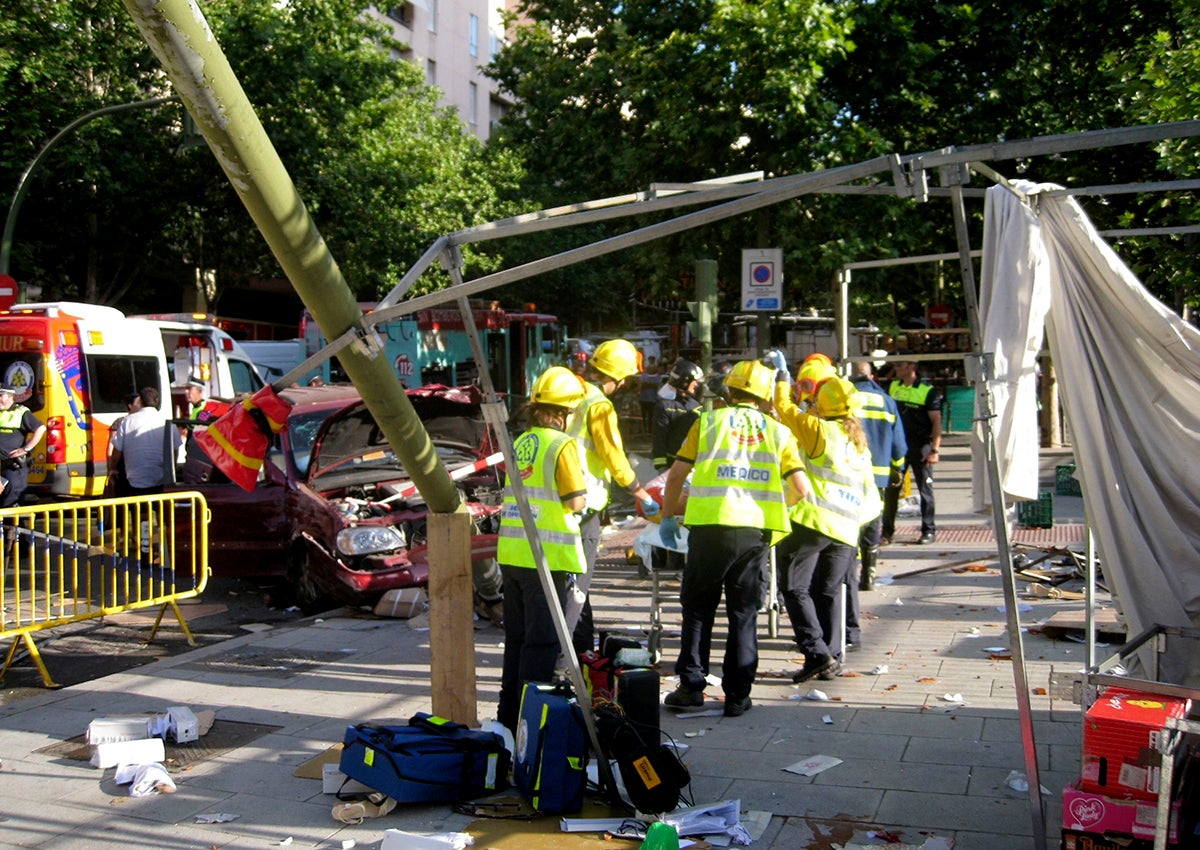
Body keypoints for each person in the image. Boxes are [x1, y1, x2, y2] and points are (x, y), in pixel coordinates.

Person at [658, 360, 810, 717]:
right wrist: (769, 505)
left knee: (698, 609)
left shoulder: (707, 421)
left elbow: (677, 474)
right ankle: (738, 696)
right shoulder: (779, 432)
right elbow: (801, 489)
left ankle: (691, 688)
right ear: (764, 396)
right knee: (744, 613)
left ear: (728, 390)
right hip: (754, 534)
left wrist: (667, 516)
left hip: (710, 528)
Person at [765, 359, 880, 684]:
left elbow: (784, 409)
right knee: (827, 592)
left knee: (794, 587)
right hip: (846, 528)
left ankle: (816, 652)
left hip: (814, 522)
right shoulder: (859, 442)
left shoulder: (820, 431)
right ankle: (832, 657)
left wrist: (782, 378)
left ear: (820, 404)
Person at [495, 366, 588, 734]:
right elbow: (575, 500)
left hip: (513, 555)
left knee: (516, 642)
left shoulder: (521, 442)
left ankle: (506, 718)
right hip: (546, 557)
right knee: (542, 644)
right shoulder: (561, 445)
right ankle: (529, 727)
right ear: (562, 412)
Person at [566, 338, 659, 654]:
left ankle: (580, 644)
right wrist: (639, 490)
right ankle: (575, 651)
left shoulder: (570, 392)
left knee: (571, 580)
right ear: (620, 378)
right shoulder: (599, 406)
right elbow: (614, 455)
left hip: (555, 501)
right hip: (583, 504)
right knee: (579, 580)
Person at [850, 352, 907, 591]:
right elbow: (899, 444)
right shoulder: (886, 400)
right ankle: (869, 574)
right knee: (873, 518)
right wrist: (899, 468)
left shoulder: (846, 398)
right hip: (879, 475)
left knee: (853, 520)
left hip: (851, 470)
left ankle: (852, 571)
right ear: (871, 375)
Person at [881, 356, 944, 545]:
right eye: (895, 365)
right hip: (899, 446)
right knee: (892, 490)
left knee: (925, 489)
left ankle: (928, 531)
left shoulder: (926, 391)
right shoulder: (893, 387)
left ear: (911, 367)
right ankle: (887, 532)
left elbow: (936, 422)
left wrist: (935, 450)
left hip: (921, 445)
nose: (897, 368)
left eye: (900, 365)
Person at [108, 387, 181, 497]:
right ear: (157, 401)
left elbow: (116, 452)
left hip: (133, 483)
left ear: (140, 401)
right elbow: (174, 452)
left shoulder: (127, 421)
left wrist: (112, 468)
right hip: (160, 482)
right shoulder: (168, 423)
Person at [650, 358, 704, 472]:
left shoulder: (696, 405)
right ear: (684, 382)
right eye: (694, 381)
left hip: (694, 465)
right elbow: (659, 438)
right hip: (672, 466)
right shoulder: (665, 406)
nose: (696, 385)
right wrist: (661, 466)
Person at [0, 384, 46, 509]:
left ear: (11, 397)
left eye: (1, 395)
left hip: (12, 465)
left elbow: (40, 428)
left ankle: (12, 526)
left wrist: (26, 449)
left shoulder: (20, 412)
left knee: (12, 496)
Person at [637, 358, 661, 435]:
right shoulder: (643, 376)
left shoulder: (658, 377)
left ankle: (650, 430)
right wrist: (649, 385)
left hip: (653, 400)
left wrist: (647, 384)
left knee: (651, 416)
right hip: (643, 399)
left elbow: (657, 386)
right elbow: (641, 385)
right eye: (650, 368)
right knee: (643, 416)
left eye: (653, 368)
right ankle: (644, 431)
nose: (651, 369)